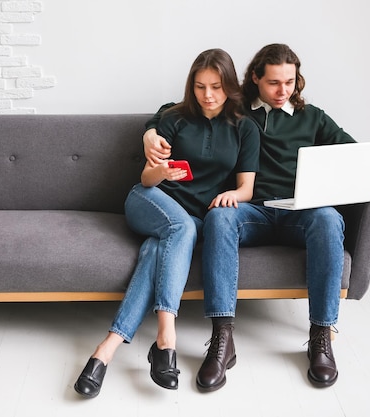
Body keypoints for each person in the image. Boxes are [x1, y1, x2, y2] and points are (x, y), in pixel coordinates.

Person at [143, 43, 356, 391]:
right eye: (273, 82)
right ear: (255, 78)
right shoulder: (236, 106)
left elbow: (351, 153)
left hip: (300, 212)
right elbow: (174, 109)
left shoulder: (313, 116)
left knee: (329, 219)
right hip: (251, 211)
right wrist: (150, 132)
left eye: (290, 82)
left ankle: (321, 336)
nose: (282, 90)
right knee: (219, 218)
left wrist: (326, 184)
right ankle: (223, 339)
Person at [73, 48, 260, 398]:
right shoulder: (174, 118)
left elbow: (246, 188)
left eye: (216, 87)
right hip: (150, 200)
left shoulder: (245, 128)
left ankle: (106, 350)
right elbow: (146, 179)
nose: (207, 95)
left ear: (229, 86)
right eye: (200, 86)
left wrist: (232, 197)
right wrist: (160, 171)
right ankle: (166, 339)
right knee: (182, 228)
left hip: (190, 218)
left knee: (157, 250)